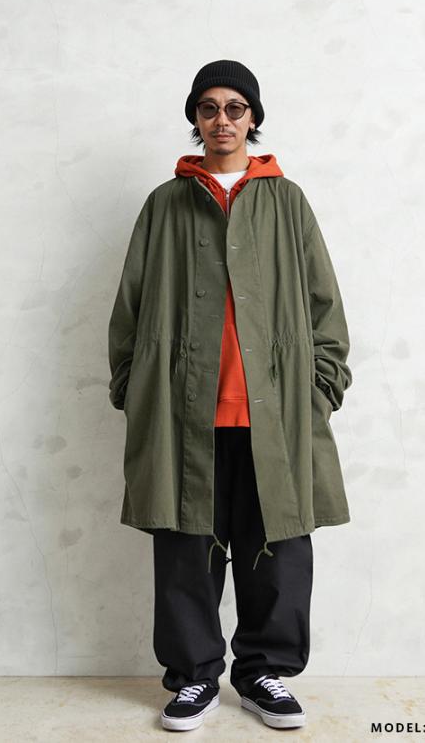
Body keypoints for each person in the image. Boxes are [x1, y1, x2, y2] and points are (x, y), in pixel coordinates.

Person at [107, 59, 353, 731]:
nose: (222, 120)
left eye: (235, 108)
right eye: (209, 107)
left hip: (276, 412)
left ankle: (265, 672)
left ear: (253, 118)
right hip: (182, 412)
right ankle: (194, 677)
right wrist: (133, 389)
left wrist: (320, 390)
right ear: (195, 117)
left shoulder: (286, 201)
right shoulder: (166, 203)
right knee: (186, 547)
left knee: (278, 547)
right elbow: (129, 305)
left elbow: (325, 305)